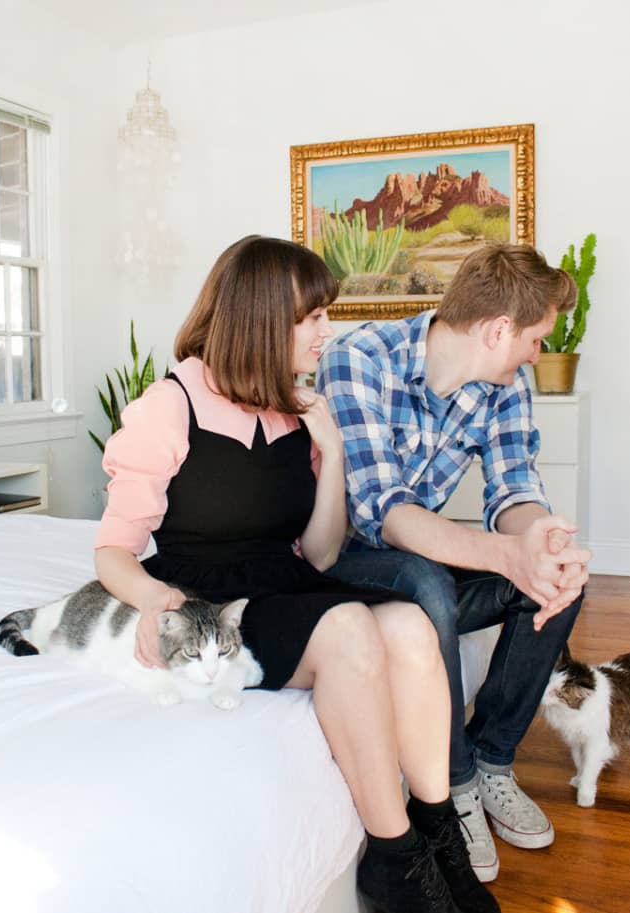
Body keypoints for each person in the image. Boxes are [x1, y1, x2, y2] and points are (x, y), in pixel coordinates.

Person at [94, 236, 499, 913]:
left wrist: (332, 451)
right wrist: (153, 598)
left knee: (410, 625)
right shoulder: (171, 405)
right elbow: (112, 548)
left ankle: (438, 835)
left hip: (285, 579)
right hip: (214, 596)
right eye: (310, 317)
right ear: (260, 318)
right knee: (346, 627)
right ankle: (394, 859)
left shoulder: (296, 405)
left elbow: (320, 553)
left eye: (324, 314)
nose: (326, 331)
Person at [317, 242, 592, 883]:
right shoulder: (360, 359)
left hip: (423, 561)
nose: (537, 354)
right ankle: (454, 779)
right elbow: (380, 513)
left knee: (560, 578)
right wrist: (502, 554)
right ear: (500, 330)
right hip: (341, 563)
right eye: (535, 339)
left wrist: (538, 541)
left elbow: (513, 486)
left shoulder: (505, 387)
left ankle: (494, 758)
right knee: (426, 583)